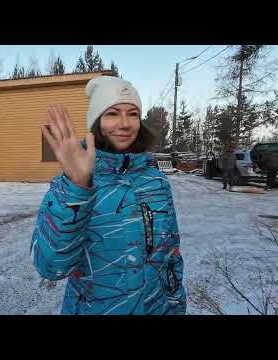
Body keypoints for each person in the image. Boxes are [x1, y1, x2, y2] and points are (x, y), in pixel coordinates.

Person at [30, 76, 186, 315]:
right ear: (97, 122)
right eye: (112, 113)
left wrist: (176, 307)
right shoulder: (74, 183)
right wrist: (77, 189)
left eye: (133, 114)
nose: (125, 123)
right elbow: (51, 268)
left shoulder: (156, 182)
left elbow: (171, 255)